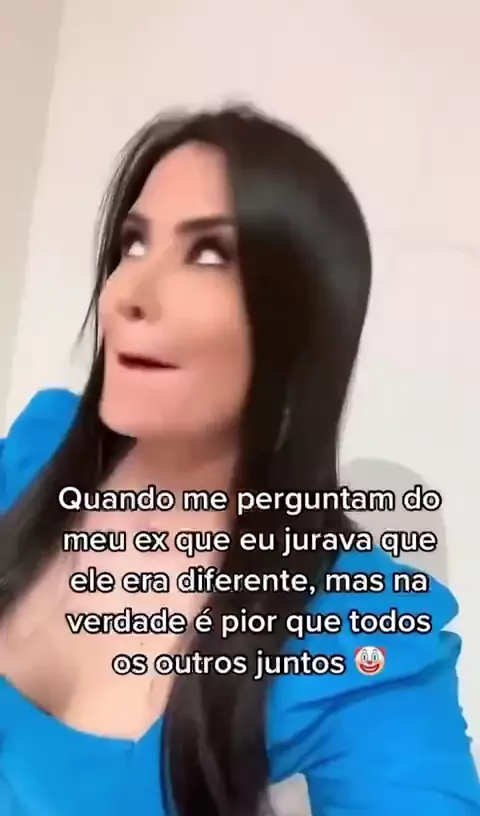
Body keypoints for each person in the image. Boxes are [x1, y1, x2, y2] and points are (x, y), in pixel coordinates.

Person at [0, 105, 478, 816]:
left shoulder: (358, 626)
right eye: (134, 243)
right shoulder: (43, 441)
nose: (128, 293)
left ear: (303, 320)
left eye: (208, 255)